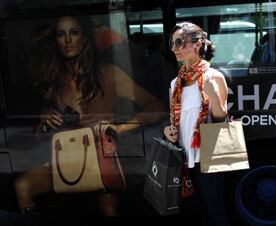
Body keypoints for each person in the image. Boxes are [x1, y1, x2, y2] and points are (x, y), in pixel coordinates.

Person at [14, 14, 165, 215]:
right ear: (56, 41)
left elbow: (157, 106)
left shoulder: (108, 74)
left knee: (108, 207)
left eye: (74, 32)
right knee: (23, 187)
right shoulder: (54, 81)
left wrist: (119, 126)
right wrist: (44, 121)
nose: (68, 40)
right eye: (61, 34)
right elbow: (40, 136)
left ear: (84, 39)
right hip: (65, 158)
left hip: (100, 158)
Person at [165, 22, 231, 226]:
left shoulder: (214, 76)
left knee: (216, 211)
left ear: (197, 44)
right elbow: (174, 119)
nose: (174, 48)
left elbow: (221, 118)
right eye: (172, 43)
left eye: (179, 42)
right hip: (184, 156)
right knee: (197, 212)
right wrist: (169, 131)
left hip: (208, 153)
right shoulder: (175, 84)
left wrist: (213, 95)